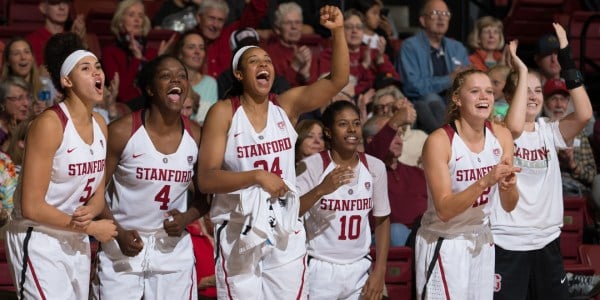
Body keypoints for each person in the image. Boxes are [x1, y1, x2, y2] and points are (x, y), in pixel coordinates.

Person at [196, 5, 349, 299]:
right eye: (254, 61)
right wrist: (256, 177)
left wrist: (338, 31)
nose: (263, 64)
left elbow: (337, 81)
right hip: (238, 227)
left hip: (284, 226)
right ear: (239, 74)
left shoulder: (286, 106)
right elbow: (207, 179)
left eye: (267, 59)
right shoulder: (224, 112)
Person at [4, 32, 117, 299]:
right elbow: (32, 206)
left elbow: (98, 194)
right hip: (39, 236)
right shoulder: (50, 124)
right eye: (86, 69)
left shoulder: (100, 124)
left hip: (74, 236)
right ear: (67, 80)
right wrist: (90, 227)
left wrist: (91, 213)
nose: (96, 73)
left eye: (98, 67)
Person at [492, 24, 593, 300]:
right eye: (527, 90)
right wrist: (522, 71)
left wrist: (566, 57)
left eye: (538, 90)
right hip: (507, 242)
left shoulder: (549, 130)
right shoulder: (498, 132)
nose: (534, 96)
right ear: (510, 98)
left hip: (547, 241)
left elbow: (584, 114)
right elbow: (514, 125)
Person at [92, 54, 205, 299]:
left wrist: (186, 218)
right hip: (122, 242)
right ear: (150, 88)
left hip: (172, 248)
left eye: (182, 76)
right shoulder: (122, 131)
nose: (176, 80)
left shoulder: (196, 135)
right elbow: (94, 191)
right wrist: (117, 232)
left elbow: (207, 195)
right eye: (166, 76)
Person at [416, 63, 520, 298]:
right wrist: (486, 181)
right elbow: (444, 209)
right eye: (475, 91)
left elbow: (509, 204)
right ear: (457, 99)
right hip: (446, 240)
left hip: (482, 238)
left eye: (489, 91)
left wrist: (509, 186)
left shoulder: (501, 135)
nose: (484, 96)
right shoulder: (439, 141)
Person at [296, 101, 390, 299]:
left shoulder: (375, 167)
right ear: (328, 132)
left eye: (356, 123)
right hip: (320, 267)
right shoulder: (311, 166)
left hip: (360, 266)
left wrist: (380, 271)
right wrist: (321, 190)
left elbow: (382, 220)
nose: (351, 129)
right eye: (343, 124)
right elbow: (291, 212)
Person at [397, 0, 470, 134]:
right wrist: (449, 79)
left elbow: (467, 80)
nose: (441, 17)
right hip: (423, 104)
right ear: (423, 20)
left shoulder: (458, 48)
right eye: (435, 13)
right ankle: (447, 138)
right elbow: (412, 86)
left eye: (445, 14)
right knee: (432, 99)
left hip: (453, 101)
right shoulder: (410, 47)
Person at [102, 0, 175, 104]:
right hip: (126, 110)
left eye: (140, 16)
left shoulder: (153, 53)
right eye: (131, 15)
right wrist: (137, 60)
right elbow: (121, 94)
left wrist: (160, 62)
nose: (137, 19)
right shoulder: (110, 52)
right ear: (120, 21)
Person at [319, 9, 398, 95]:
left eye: (359, 27)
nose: (354, 31)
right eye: (349, 27)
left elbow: (394, 79)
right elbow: (335, 87)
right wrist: (363, 66)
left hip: (377, 100)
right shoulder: (330, 55)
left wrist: (380, 62)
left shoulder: (375, 53)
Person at [542, 78, 597, 197]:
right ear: (545, 102)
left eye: (563, 99)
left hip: (576, 191)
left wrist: (572, 164)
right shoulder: (538, 130)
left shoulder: (579, 133)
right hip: (546, 190)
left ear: (568, 103)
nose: (559, 105)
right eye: (554, 99)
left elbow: (592, 175)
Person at [195, 0, 268, 78]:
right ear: (199, 18)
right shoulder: (187, 39)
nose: (215, 25)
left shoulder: (229, 35)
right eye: (211, 18)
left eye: (220, 20)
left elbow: (255, 13)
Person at [216, 27, 291, 100]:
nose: (263, 64)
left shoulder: (278, 83)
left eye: (267, 60)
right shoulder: (225, 80)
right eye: (252, 60)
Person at [264, 2, 319, 87]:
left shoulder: (306, 51)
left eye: (298, 22)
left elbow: (315, 90)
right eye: (288, 23)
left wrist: (306, 76)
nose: (294, 27)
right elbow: (277, 89)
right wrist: (294, 67)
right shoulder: (269, 54)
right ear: (278, 29)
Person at [172, 31, 218, 124]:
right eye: (191, 47)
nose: (197, 52)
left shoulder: (211, 83)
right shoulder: (172, 83)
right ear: (180, 53)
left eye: (201, 48)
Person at [1, 37, 57, 111]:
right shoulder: (2, 89)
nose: (23, 57)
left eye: (27, 52)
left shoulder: (47, 85)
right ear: (8, 60)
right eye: (16, 54)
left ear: (32, 57)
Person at [27, 0, 86, 67]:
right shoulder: (31, 41)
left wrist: (77, 40)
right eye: (55, 2)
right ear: (43, 8)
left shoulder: (74, 36)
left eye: (65, 2)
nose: (62, 7)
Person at [0, 76, 33, 150]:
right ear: (3, 102)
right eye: (19, 98)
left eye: (28, 97)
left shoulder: (31, 126)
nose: (26, 103)